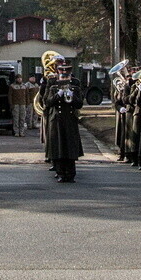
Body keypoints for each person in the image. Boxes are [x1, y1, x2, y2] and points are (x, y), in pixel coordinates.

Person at [36, 52, 85, 183]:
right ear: (58, 72)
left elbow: (80, 103)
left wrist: (72, 96)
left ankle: (71, 174)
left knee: (70, 147)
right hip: (56, 120)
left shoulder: (75, 83)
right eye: (61, 72)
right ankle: (60, 173)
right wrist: (58, 94)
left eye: (66, 72)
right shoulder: (52, 82)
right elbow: (46, 101)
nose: (64, 74)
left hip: (70, 120)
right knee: (58, 147)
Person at [8, 72, 37, 137]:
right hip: (15, 104)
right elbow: (10, 96)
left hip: (23, 104)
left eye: (20, 78)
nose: (19, 79)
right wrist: (11, 104)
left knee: (22, 118)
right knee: (16, 119)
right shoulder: (12, 86)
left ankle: (21, 132)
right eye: (18, 78)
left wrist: (27, 103)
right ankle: (16, 132)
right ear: (16, 79)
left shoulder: (24, 86)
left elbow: (27, 95)